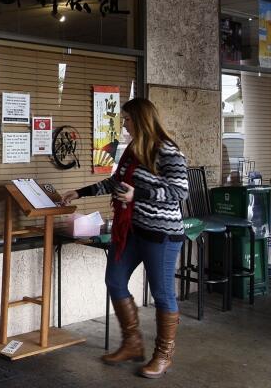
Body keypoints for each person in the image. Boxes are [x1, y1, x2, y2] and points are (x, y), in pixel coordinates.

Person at [61, 98, 187, 379]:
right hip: (132, 230)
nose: (123, 124)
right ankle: (132, 343)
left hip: (161, 235)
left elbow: (179, 192)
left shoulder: (167, 151)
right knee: (115, 280)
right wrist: (79, 193)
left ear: (141, 119)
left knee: (162, 293)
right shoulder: (131, 150)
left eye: (127, 119)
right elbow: (117, 182)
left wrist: (137, 195)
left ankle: (164, 355)